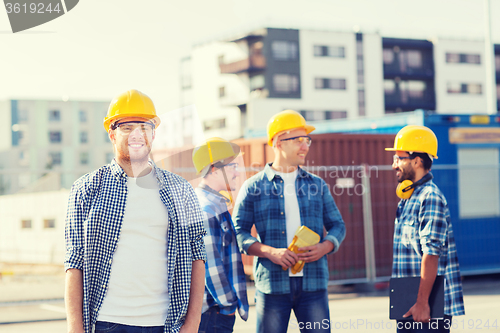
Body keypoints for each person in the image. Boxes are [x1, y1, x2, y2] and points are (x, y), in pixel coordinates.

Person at [64, 89, 207, 333]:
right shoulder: (86, 189)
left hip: (164, 323)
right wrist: (75, 328)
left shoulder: (181, 189)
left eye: (144, 126)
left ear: (154, 133)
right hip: (106, 322)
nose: (137, 134)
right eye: (127, 127)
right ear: (112, 133)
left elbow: (197, 255)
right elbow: (74, 262)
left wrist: (192, 324)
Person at [232, 110, 346, 333]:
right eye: (298, 140)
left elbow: (338, 225)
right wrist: (269, 252)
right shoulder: (253, 187)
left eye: (307, 140)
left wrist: (325, 246)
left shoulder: (318, 185)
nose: (305, 146)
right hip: (272, 286)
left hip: (314, 284)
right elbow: (238, 233)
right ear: (277, 142)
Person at [386, 125, 465, 332]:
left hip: (426, 305)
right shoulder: (408, 197)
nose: (394, 164)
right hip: (408, 300)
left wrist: (422, 303)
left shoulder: (429, 198)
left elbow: (431, 254)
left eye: (399, 158)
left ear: (417, 160)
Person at [192, 138, 249, 333]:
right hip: (213, 312)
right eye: (233, 166)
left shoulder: (214, 203)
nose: (236, 172)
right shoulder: (206, 208)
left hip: (214, 311)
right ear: (215, 169)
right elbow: (210, 265)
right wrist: (228, 304)